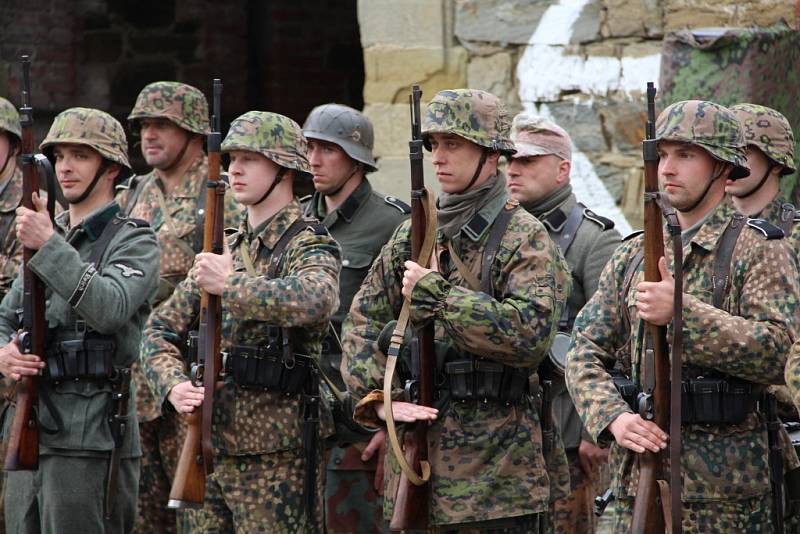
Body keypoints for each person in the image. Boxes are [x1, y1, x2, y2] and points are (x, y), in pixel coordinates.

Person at [341, 88, 572, 531]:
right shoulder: (414, 232)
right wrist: (380, 399)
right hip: (416, 462)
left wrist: (442, 298)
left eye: (454, 144)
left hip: (496, 479)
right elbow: (361, 319)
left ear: (491, 154)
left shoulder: (523, 237)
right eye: (435, 145)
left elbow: (530, 335)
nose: (439, 157)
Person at [566, 100, 799, 532]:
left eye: (686, 155)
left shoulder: (760, 249)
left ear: (724, 169)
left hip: (726, 493)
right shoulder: (633, 254)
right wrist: (613, 417)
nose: (668, 168)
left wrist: (684, 314)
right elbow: (583, 350)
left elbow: (779, 354)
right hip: (633, 479)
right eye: (663, 155)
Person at [140, 110, 341, 532]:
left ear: (285, 169)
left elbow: (317, 300)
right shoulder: (224, 246)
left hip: (276, 453)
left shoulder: (309, 241)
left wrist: (230, 285)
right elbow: (158, 330)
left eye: (251, 159)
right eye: (232, 159)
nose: (235, 169)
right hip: (207, 443)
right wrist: (172, 385)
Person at [0, 107, 160, 533]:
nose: (66, 168)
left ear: (110, 168)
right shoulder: (49, 236)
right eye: (60, 156)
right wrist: (4, 354)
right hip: (30, 424)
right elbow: (4, 316)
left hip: (90, 433)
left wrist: (49, 244)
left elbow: (109, 309)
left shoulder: (134, 239)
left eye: (80, 155)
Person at [118, 81, 241, 534]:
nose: (150, 134)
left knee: (196, 515)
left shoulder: (223, 196)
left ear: (192, 133)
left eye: (163, 125)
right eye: (145, 125)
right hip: (137, 376)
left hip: (190, 373)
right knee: (141, 512)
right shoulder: (131, 195)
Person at [507, 113, 621, 533]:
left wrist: (598, 428)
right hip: (508, 426)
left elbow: (614, 342)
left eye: (528, 161)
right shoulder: (501, 234)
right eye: (510, 161)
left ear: (562, 169)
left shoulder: (594, 239)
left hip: (570, 428)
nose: (514, 169)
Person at [301, 103, 408, 532]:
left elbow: (408, 330)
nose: (314, 160)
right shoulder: (298, 221)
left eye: (328, 149)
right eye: (310, 147)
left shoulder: (390, 224)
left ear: (356, 158)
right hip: (301, 418)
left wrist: (389, 421)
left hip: (359, 422)